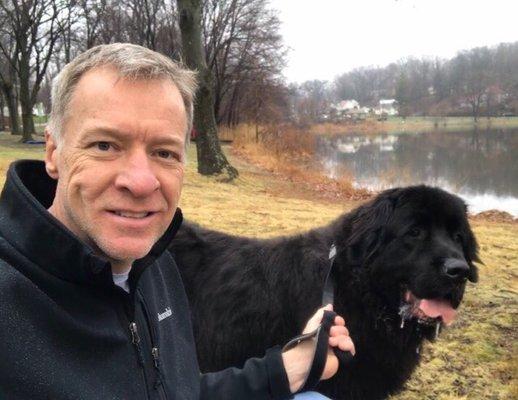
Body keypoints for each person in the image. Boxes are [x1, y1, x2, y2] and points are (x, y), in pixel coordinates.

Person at [0, 43, 355, 399]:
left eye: (164, 153)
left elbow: (177, 391)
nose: (141, 182)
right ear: (53, 153)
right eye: (105, 145)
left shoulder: (155, 265)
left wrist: (290, 366)